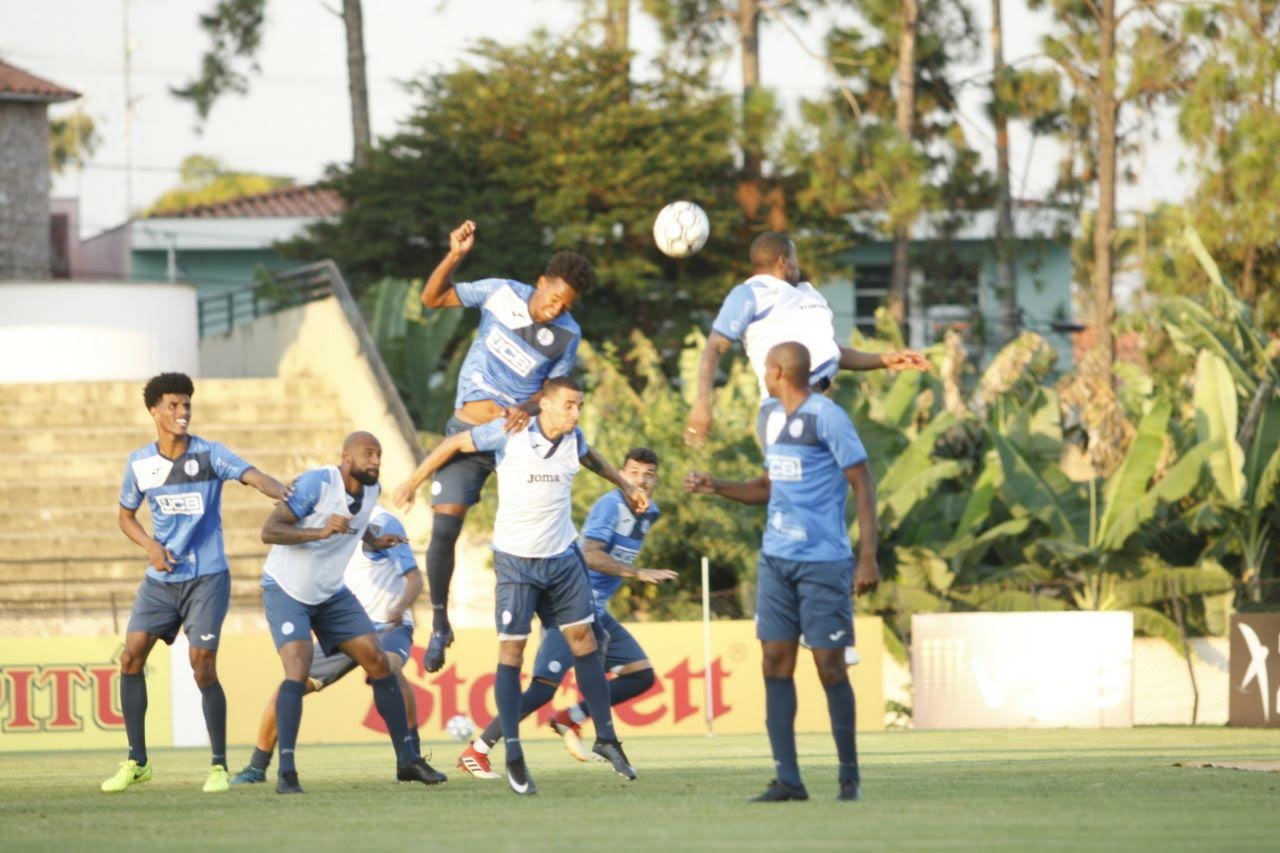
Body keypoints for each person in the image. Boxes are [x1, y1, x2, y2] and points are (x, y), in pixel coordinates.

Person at [393, 377, 646, 795]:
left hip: (563, 559)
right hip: (516, 563)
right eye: (568, 405)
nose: (575, 413)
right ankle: (511, 751)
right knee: (512, 651)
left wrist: (625, 483)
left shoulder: (574, 438)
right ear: (544, 404)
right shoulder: (510, 432)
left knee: (584, 640)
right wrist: (412, 481)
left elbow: (591, 457)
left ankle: (606, 738)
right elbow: (453, 445)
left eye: (579, 405)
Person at [686, 342, 879, 803]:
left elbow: (863, 482)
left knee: (830, 668)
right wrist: (717, 487)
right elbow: (768, 487)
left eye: (763, 368)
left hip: (823, 561)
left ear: (775, 370)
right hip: (775, 560)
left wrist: (867, 555)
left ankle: (848, 778)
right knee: (775, 663)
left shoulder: (826, 416)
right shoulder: (773, 418)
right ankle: (788, 779)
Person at [417, 219, 595, 674]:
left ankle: (569, 619)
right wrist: (454, 256)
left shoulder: (568, 335)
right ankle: (439, 623)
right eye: (553, 298)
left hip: (519, 437)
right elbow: (433, 298)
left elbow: (554, 391)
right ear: (540, 283)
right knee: (445, 526)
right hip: (471, 426)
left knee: (544, 527)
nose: (555, 309)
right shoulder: (500, 292)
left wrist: (527, 407)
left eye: (565, 305)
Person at [101, 372, 291, 795]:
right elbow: (125, 517)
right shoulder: (140, 463)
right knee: (130, 657)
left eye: (186, 404)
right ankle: (137, 761)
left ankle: (218, 765)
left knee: (201, 663)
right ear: (154, 411)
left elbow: (253, 475)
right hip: (161, 579)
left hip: (207, 577)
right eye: (173, 405)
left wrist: (281, 491)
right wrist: (151, 547)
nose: (182, 412)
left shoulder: (209, 455)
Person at [455, 447, 677, 778]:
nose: (641, 480)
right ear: (621, 474)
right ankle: (477, 750)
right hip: (571, 608)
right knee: (543, 688)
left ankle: (570, 717)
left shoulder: (651, 512)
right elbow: (589, 555)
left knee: (640, 675)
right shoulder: (610, 506)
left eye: (648, 474)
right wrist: (638, 573)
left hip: (598, 613)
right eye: (633, 472)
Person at [259, 431, 445, 794]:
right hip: (288, 590)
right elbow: (270, 531)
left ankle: (407, 761)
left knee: (378, 661)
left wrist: (374, 541)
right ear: (346, 457)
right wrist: (318, 531)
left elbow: (353, 526)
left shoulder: (371, 491)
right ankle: (286, 772)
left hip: (330, 594)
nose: (375, 461)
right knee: (296, 672)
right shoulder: (317, 483)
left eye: (379, 455)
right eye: (368, 454)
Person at [229, 505, 429, 785]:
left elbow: (415, 578)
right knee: (291, 686)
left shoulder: (384, 522)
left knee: (389, 670)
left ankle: (411, 757)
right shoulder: (328, 523)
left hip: (387, 627)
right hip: (345, 627)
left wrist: (401, 606)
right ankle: (256, 766)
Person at [684, 231, 930, 448]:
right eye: (795, 258)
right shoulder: (750, 294)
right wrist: (703, 401)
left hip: (818, 405)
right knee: (794, 495)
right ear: (783, 261)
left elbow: (832, 352)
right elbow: (714, 347)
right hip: (785, 409)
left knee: (829, 492)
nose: (798, 265)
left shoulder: (807, 294)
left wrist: (886, 359)